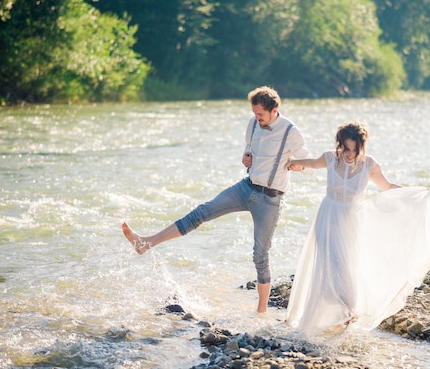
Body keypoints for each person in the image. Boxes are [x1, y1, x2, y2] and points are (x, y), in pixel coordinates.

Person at [122, 86, 311, 313]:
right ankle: (146, 243)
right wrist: (246, 156)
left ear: (274, 110)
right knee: (201, 212)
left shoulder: (291, 131)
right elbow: (249, 146)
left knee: (260, 253)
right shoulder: (252, 124)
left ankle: (261, 313)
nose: (257, 118)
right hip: (246, 187)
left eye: (260, 114)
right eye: (254, 113)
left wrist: (297, 165)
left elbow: (308, 167)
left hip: (270, 199)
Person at [284, 121, 430, 337]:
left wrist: (419, 195)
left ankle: (347, 311)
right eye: (345, 148)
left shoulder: (370, 165)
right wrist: (293, 162)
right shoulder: (331, 158)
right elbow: (311, 163)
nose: (349, 154)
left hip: (352, 221)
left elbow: (387, 188)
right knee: (328, 264)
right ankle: (337, 315)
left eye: (354, 149)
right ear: (339, 145)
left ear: (362, 146)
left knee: (346, 267)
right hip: (328, 216)